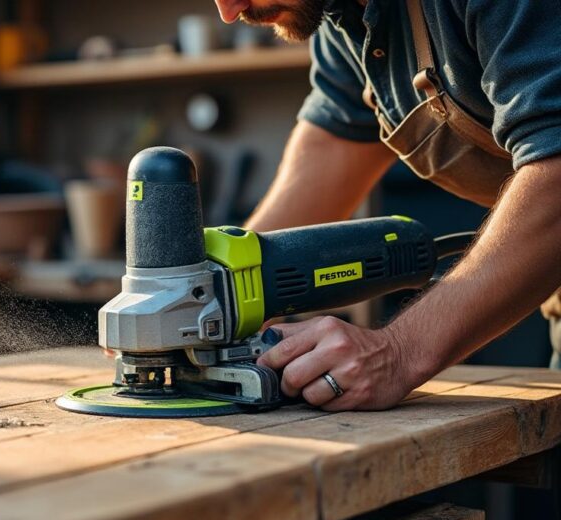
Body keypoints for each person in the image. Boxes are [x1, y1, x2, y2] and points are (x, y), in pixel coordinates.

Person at [211, 0, 561, 410]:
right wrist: (217, 287)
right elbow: (335, 144)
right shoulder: (341, 17)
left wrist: (398, 352)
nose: (229, 12)